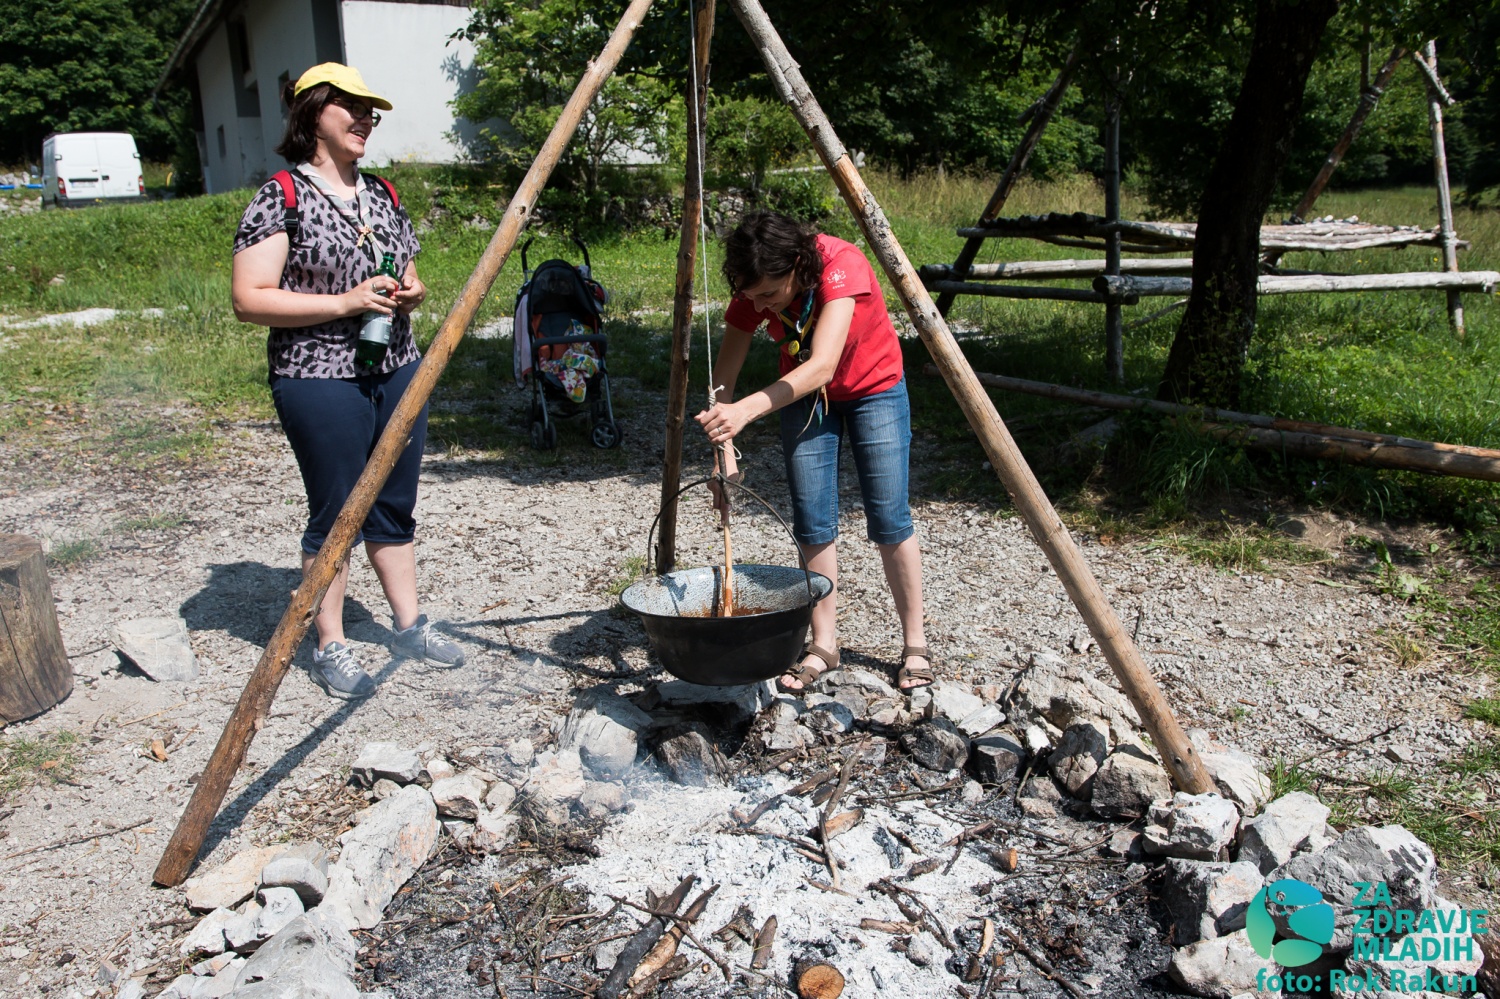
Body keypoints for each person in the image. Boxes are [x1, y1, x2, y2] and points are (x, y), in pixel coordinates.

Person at [231, 63, 464, 699]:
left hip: (395, 366)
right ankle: (329, 642)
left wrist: (410, 293)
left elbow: (407, 273)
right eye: (352, 109)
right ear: (314, 115)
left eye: (372, 112)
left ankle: (409, 625)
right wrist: (344, 302)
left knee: (394, 500)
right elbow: (249, 299)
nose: (365, 121)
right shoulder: (282, 195)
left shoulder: (382, 193)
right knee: (338, 509)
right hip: (318, 375)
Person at [695, 211, 933, 693]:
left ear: (798, 266)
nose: (758, 306)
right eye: (750, 296)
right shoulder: (754, 287)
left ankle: (915, 644)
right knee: (812, 520)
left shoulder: (840, 264)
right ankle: (824, 644)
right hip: (804, 399)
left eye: (768, 296)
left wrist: (745, 411)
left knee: (889, 517)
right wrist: (724, 449)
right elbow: (724, 375)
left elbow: (823, 364)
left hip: (874, 390)